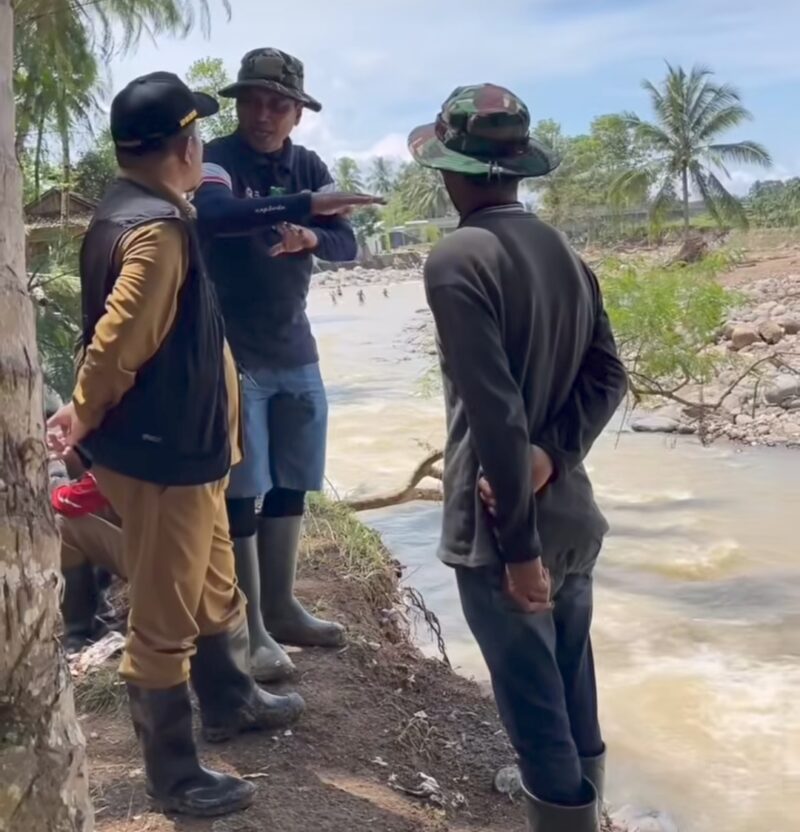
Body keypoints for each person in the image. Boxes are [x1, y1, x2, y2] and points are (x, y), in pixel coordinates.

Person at [43, 71, 366, 817]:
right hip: (166, 453)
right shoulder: (157, 230)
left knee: (216, 578)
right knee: (164, 615)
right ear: (187, 146)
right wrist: (84, 410)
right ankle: (175, 774)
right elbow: (121, 337)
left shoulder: (133, 209)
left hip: (184, 447)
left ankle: (231, 698)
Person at [408, 84, 628, 832]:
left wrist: (519, 549)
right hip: (570, 515)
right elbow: (609, 374)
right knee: (572, 684)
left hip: (504, 532)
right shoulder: (561, 249)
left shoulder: (457, 259)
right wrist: (554, 456)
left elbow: (495, 413)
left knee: (536, 720)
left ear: (452, 170)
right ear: (516, 168)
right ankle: (593, 811)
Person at [194, 48, 378, 683]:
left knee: (293, 478)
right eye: (254, 101)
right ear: (240, 104)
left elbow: (348, 242)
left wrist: (309, 236)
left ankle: (282, 604)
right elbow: (215, 217)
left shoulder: (309, 164)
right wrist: (302, 207)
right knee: (243, 487)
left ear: (297, 114)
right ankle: (250, 626)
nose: (264, 114)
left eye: (279, 104)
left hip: (295, 348)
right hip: (232, 349)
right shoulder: (216, 158)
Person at [46, 388, 124, 653]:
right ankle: (100, 609)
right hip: (180, 545)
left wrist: (52, 466)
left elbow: (64, 501)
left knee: (62, 525)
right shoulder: (141, 427)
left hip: (165, 566)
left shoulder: (118, 453)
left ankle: (80, 631)